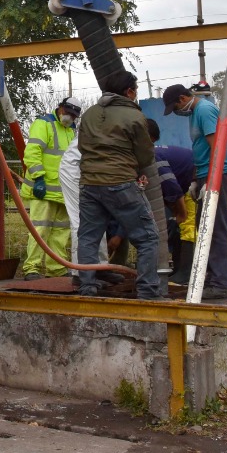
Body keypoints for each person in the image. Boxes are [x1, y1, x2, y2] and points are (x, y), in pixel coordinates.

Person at [75, 71, 163, 300]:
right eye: (136, 91)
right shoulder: (134, 116)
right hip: (120, 183)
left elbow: (83, 148)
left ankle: (87, 288)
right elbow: (145, 155)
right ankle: (148, 291)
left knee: (88, 237)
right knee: (147, 238)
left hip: (89, 184)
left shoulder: (89, 114)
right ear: (129, 91)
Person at [162, 83, 227, 300]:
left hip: (220, 174)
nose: (176, 112)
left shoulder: (204, 110)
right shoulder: (193, 114)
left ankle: (221, 284)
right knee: (203, 228)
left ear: (184, 98)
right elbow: (200, 150)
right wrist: (197, 179)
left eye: (176, 106)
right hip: (209, 174)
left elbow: (217, 145)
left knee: (217, 229)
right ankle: (210, 279)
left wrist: (212, 180)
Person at [20, 96, 81, 279]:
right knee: (40, 230)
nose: (69, 117)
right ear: (60, 108)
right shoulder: (43, 124)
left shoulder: (71, 130)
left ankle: (57, 268)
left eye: (73, 115)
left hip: (63, 191)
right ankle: (32, 268)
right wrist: (38, 178)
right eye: (68, 113)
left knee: (61, 233)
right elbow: (32, 152)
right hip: (44, 189)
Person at [146, 119, 196, 285]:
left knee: (188, 226)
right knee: (177, 227)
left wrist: (180, 213)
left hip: (196, 181)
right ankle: (179, 269)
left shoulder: (152, 157)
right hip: (185, 183)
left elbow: (172, 187)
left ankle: (186, 274)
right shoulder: (148, 155)